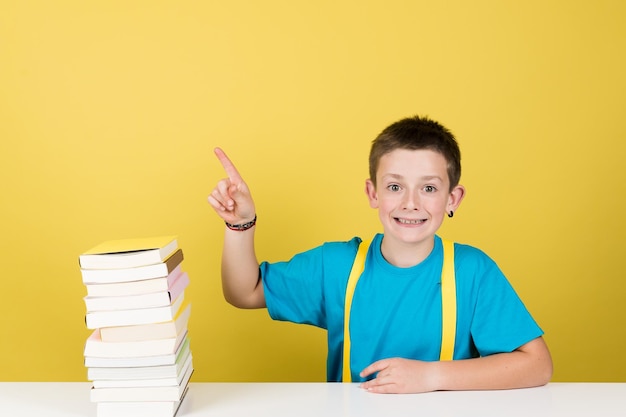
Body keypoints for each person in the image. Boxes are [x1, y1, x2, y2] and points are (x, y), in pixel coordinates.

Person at [207, 115, 553, 394]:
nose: (410, 203)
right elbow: (244, 292)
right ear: (373, 193)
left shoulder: (473, 271)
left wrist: (430, 377)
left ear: (453, 199)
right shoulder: (336, 265)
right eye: (394, 186)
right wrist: (241, 224)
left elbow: (537, 365)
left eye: (429, 188)